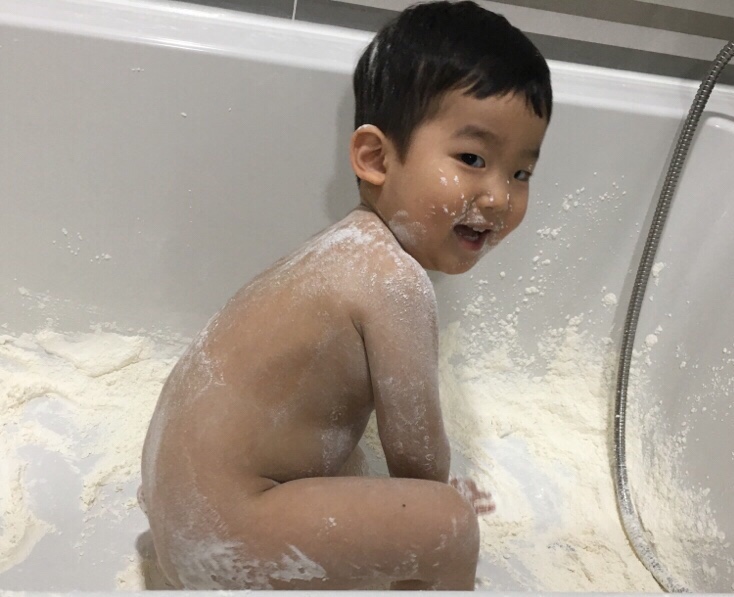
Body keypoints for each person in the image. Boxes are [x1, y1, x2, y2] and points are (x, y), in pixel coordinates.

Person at [140, 0, 552, 590]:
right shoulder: (395, 282)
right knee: (449, 525)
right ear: (376, 158)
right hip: (217, 541)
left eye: (520, 173)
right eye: (472, 159)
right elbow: (418, 460)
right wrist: (438, 504)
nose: (498, 196)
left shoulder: (343, 248)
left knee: (351, 459)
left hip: (175, 500)